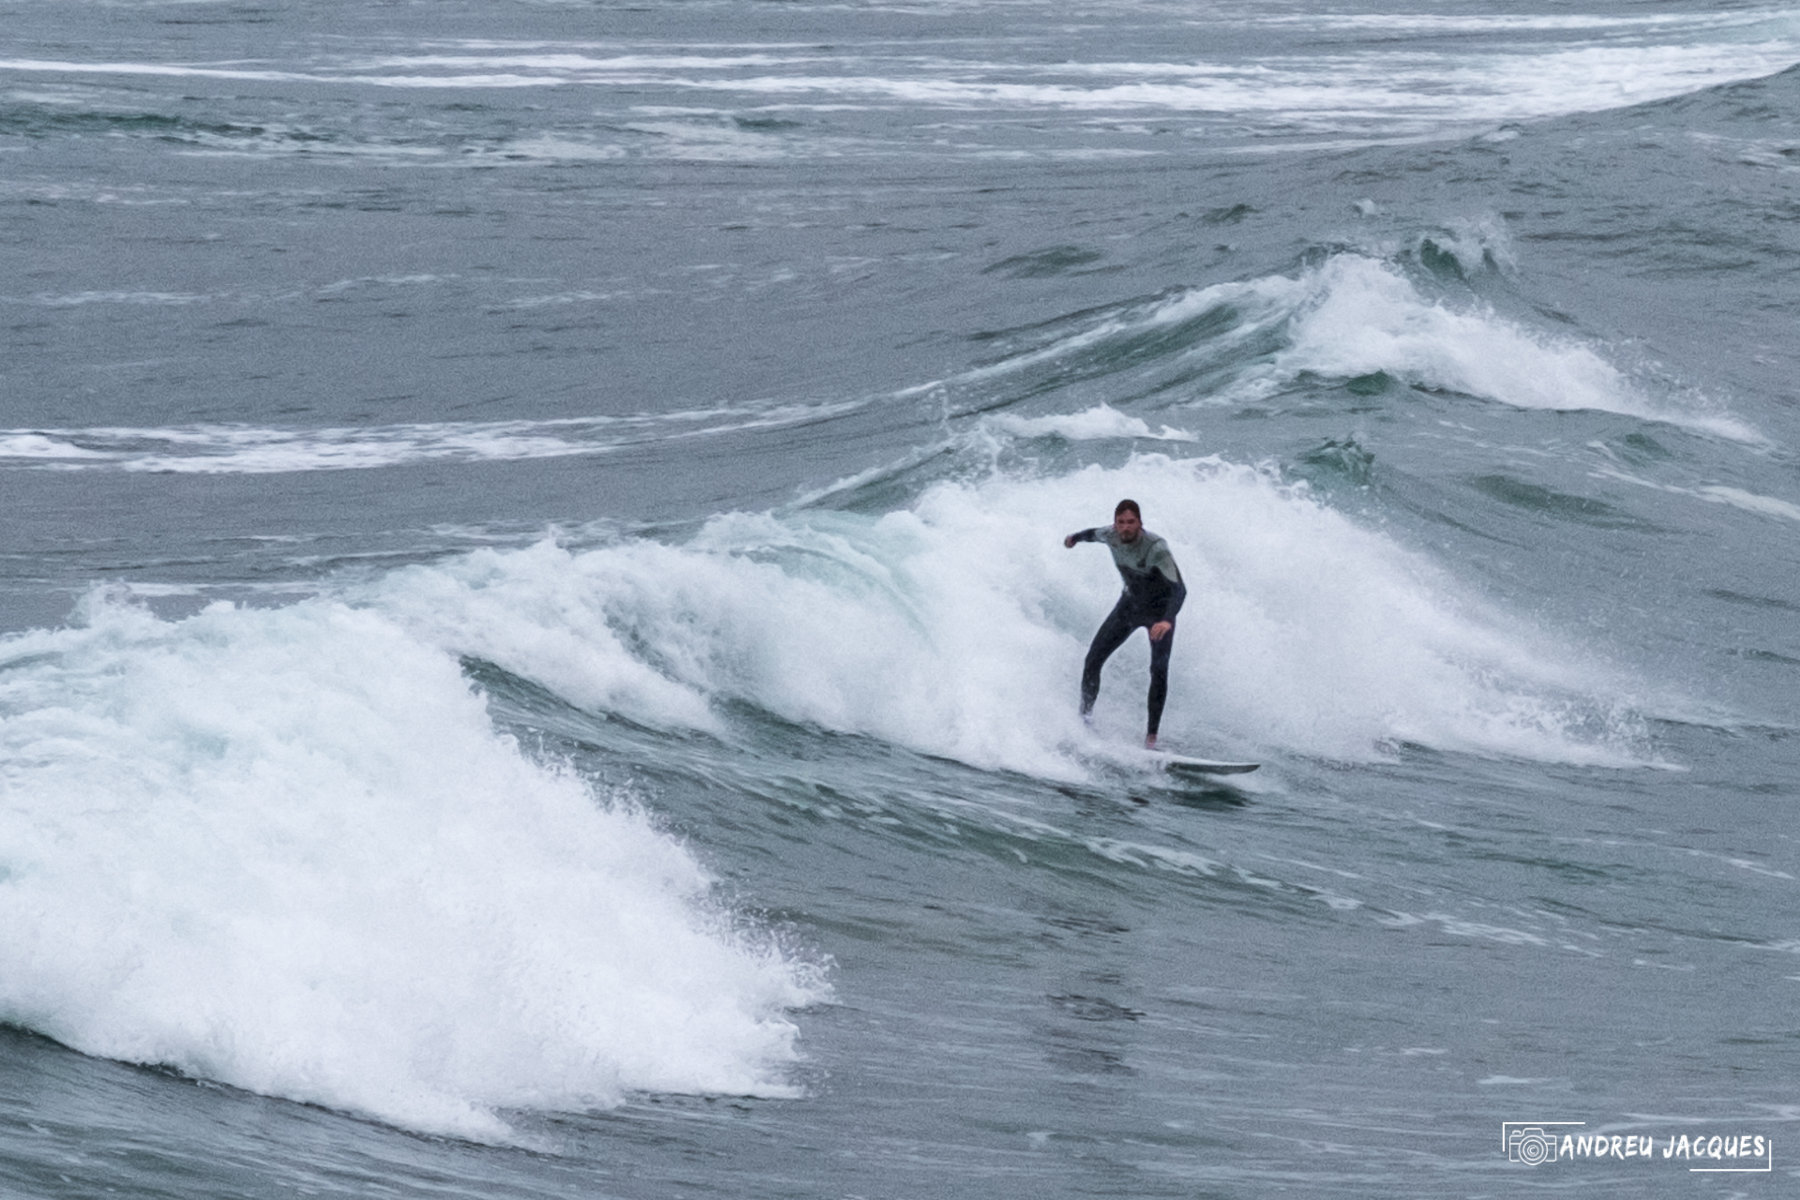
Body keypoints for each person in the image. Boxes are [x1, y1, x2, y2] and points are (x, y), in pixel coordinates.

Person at [1063, 499, 1187, 748]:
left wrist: (1166, 620)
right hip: (1129, 607)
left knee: (1158, 671)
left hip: (1159, 614)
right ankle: (1084, 721)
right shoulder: (1110, 535)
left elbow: (1179, 589)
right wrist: (1074, 538)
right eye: (1121, 523)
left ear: (1141, 523)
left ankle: (1151, 738)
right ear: (1115, 524)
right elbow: (1090, 534)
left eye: (1131, 523)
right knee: (1093, 660)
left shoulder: (1156, 547)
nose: (1126, 528)